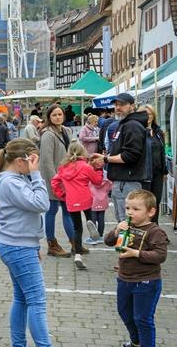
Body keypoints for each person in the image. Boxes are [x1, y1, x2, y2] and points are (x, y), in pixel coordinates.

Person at [0, 138, 79, 347]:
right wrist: (36, 175)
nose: (35, 165)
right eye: (32, 160)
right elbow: (41, 203)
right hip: (18, 247)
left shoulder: (12, 179)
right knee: (36, 301)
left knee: (23, 298)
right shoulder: (11, 182)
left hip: (18, 244)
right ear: (19, 161)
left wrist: (34, 244)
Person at [104, 190, 168, 347]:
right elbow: (108, 241)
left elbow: (160, 256)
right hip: (124, 278)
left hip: (147, 281)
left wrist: (136, 253)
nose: (130, 212)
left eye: (136, 209)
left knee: (143, 317)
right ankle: (136, 341)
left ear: (151, 212)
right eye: (128, 208)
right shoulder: (126, 226)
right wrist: (116, 230)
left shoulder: (155, 231)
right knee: (124, 312)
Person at [50, 142, 106, 270]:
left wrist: (62, 195)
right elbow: (97, 182)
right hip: (85, 199)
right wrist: (98, 169)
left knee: (77, 228)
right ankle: (91, 224)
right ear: (83, 152)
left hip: (71, 200)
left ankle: (78, 255)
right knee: (89, 215)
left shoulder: (63, 167)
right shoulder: (86, 167)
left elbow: (54, 182)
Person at [104, 93, 151, 222]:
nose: (118, 107)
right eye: (116, 105)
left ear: (132, 106)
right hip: (122, 182)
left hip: (127, 182)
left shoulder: (132, 125)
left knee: (127, 223)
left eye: (122, 104)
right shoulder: (124, 123)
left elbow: (130, 156)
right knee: (123, 221)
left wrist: (106, 159)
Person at [38, 104, 75, 258]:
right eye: (54, 115)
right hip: (52, 178)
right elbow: (46, 161)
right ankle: (52, 244)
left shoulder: (66, 131)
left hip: (66, 177)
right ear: (49, 117)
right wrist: (55, 181)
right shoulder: (48, 134)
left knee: (68, 210)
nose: (58, 117)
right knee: (52, 210)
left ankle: (75, 243)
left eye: (60, 114)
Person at [140, 104, 168, 214]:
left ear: (154, 116)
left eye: (150, 114)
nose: (148, 116)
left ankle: (154, 224)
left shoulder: (159, 132)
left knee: (156, 202)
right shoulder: (138, 131)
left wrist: (164, 171)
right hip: (143, 173)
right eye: (145, 114)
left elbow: (162, 152)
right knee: (144, 202)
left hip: (158, 173)